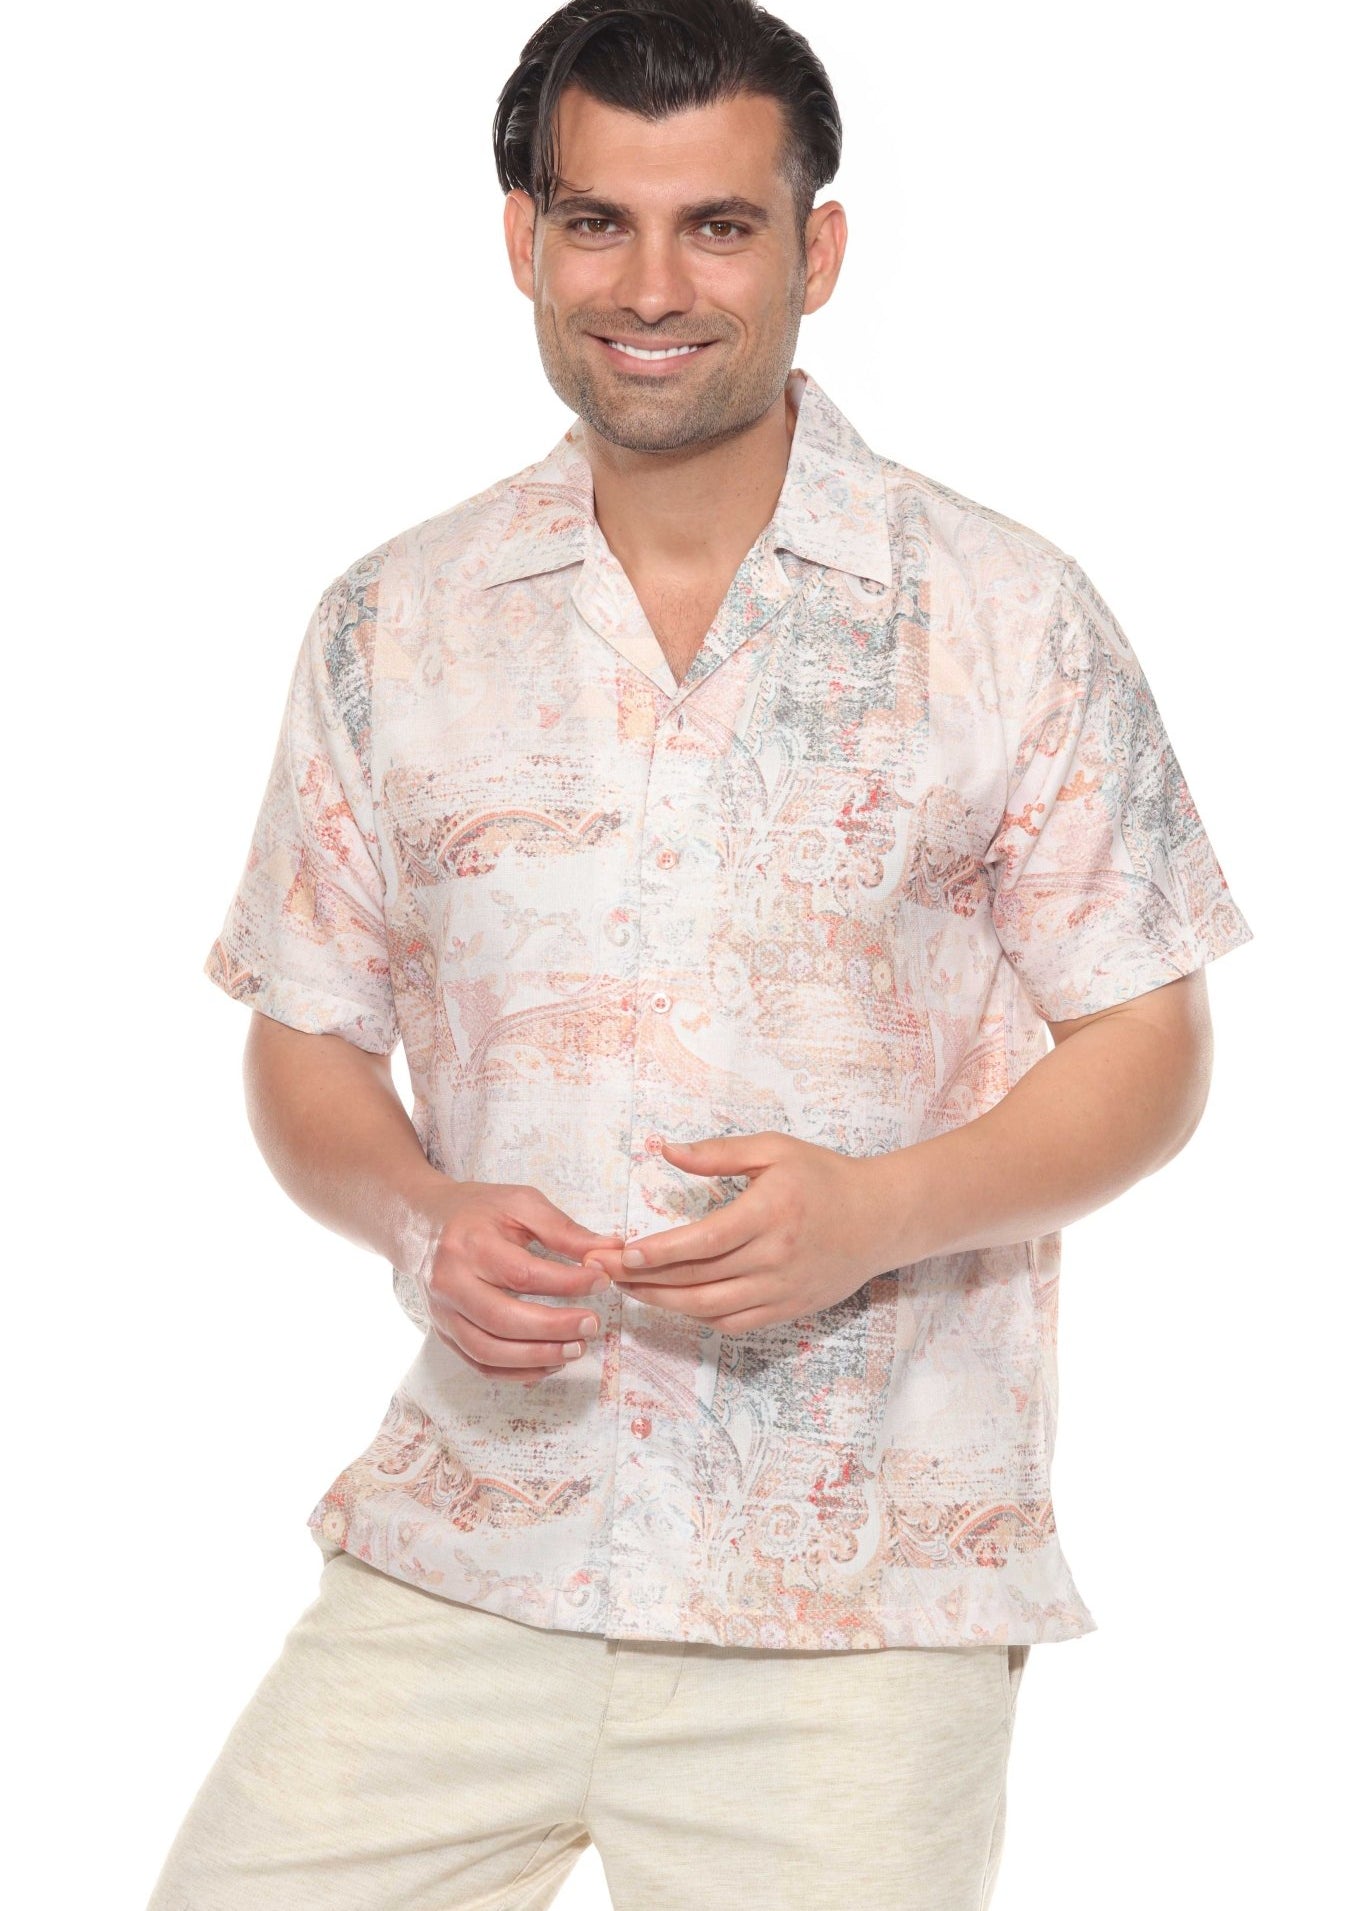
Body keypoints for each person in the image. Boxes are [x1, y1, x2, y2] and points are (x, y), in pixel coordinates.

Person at [148, 2, 1255, 1906]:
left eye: (718, 228)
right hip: (467, 1550)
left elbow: (1149, 1043)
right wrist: (416, 1211)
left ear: (814, 251)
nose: (650, 285)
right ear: (524, 239)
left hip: (855, 1597)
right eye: (598, 223)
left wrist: (878, 1212)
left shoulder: (999, 610)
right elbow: (306, 1038)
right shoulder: (391, 620)